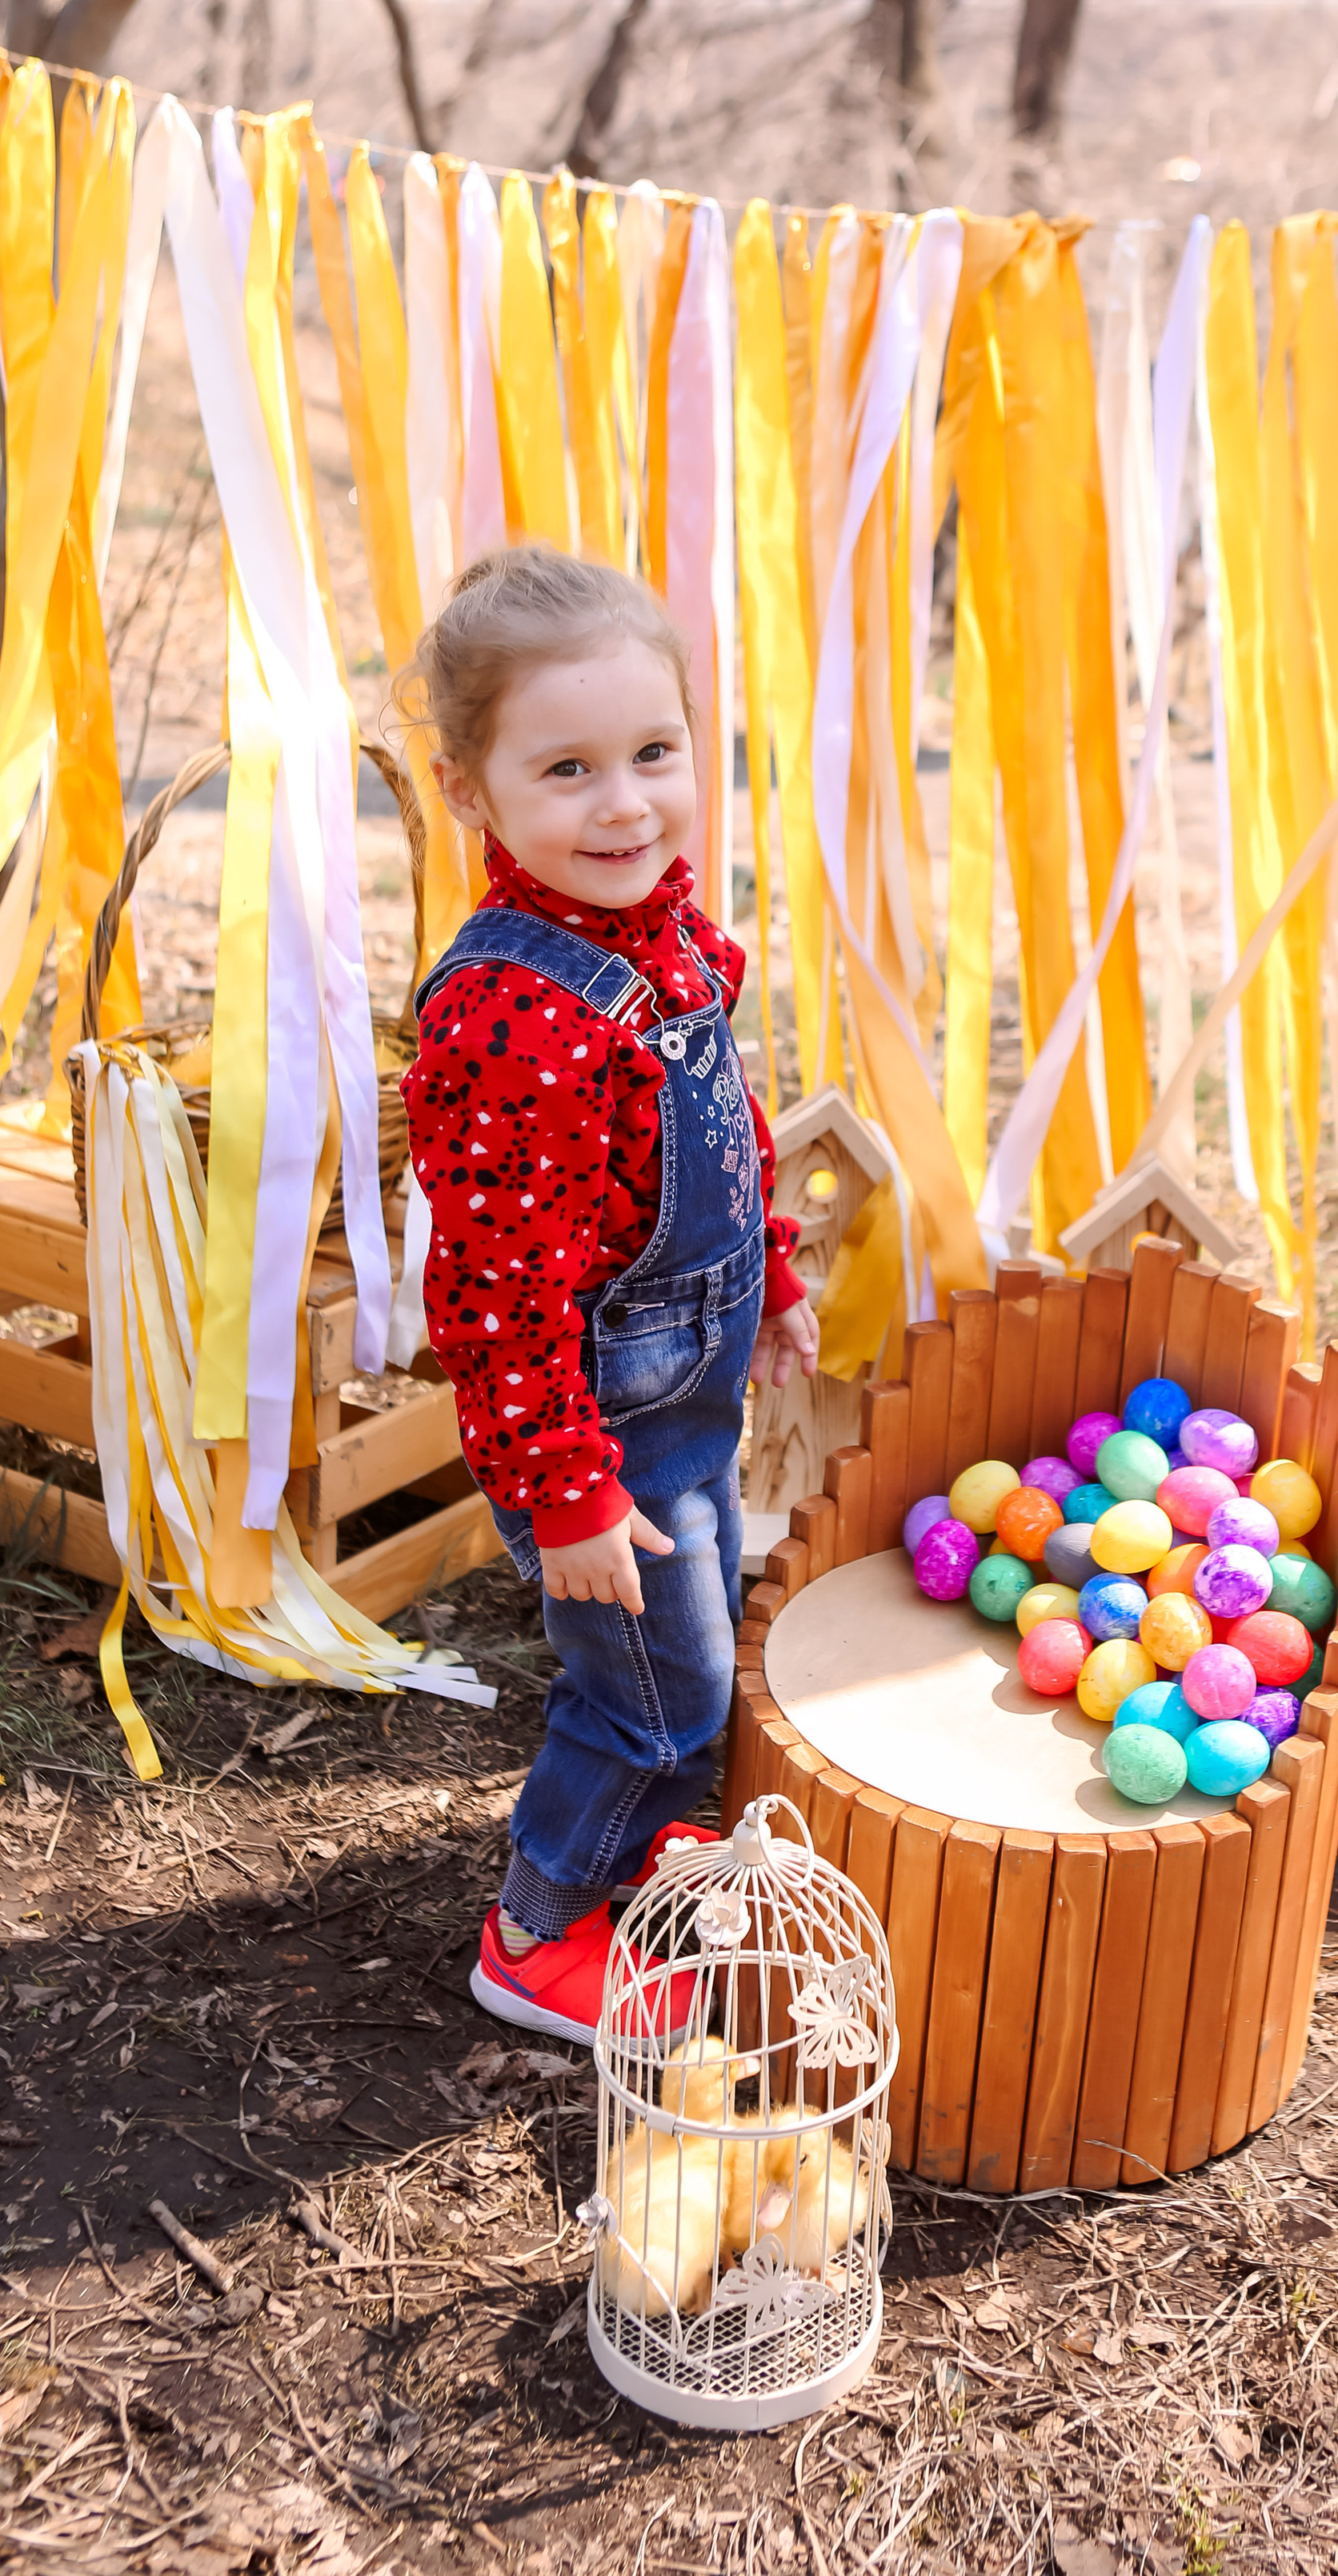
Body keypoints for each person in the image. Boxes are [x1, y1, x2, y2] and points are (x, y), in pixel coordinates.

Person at [398, 547, 819, 2040]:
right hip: (586, 1434)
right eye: (566, 769)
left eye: (655, 752)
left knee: (684, 1644)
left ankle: (641, 1839)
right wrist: (567, 1493)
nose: (625, 803)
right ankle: (537, 1929)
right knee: (660, 1685)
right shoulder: (517, 1016)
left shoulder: (670, 941)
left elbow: (719, 1120)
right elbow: (497, 1302)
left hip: (680, 1400)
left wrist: (764, 1271)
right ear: (471, 792)